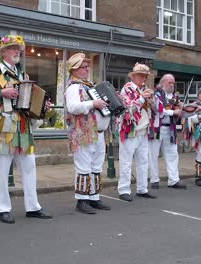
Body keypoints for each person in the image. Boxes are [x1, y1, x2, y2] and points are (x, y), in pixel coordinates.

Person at [0, 35, 52, 224]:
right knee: (2, 171)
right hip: (3, 128)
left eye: (19, 49)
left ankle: (33, 207)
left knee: (30, 168)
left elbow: (30, 102)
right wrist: (0, 93)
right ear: (3, 52)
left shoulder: (23, 76)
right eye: (13, 48)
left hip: (23, 128)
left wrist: (43, 106)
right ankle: (3, 209)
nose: (17, 51)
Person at [64, 53, 111, 214]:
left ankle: (94, 197)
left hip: (97, 133)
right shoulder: (73, 87)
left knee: (96, 166)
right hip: (83, 133)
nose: (87, 69)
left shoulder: (89, 86)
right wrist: (93, 103)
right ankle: (82, 201)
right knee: (83, 167)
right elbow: (72, 107)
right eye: (83, 67)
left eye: (87, 66)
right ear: (74, 70)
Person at [117, 63, 157, 202]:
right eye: (141, 75)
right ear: (134, 76)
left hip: (144, 130)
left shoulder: (145, 89)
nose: (144, 78)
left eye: (145, 76)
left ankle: (142, 188)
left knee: (143, 161)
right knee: (126, 161)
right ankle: (123, 190)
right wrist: (141, 98)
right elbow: (127, 109)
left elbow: (156, 109)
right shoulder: (126, 89)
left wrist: (151, 101)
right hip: (130, 129)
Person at [148, 74, 187, 189]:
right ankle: (154, 180)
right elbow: (160, 110)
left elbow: (180, 108)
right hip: (156, 128)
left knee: (173, 154)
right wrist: (174, 113)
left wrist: (183, 109)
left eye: (173, 83)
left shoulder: (175, 96)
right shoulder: (157, 94)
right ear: (163, 83)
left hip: (170, 128)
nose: (172, 85)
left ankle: (174, 180)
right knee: (153, 154)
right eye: (170, 82)